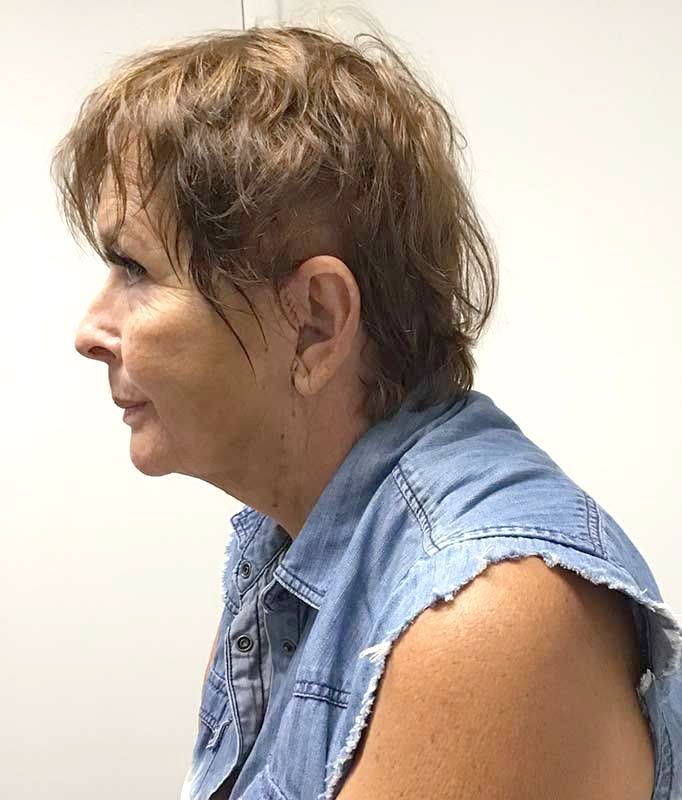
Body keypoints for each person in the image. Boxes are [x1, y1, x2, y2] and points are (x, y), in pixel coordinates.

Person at [52, 21, 681, 800]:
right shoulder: (284, 543)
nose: (90, 331)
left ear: (314, 321)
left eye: (136, 269)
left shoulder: (483, 619)